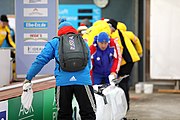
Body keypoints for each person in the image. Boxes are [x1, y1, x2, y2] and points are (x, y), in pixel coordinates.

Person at [23, 21, 96, 120]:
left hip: (63, 82)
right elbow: (89, 64)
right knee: (88, 113)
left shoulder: (55, 42)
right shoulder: (82, 41)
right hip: (83, 81)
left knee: (64, 114)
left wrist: (29, 77)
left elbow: (40, 60)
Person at [107, 18, 143, 111]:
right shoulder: (127, 33)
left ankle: (125, 105)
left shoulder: (115, 34)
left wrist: (116, 65)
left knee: (122, 82)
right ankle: (125, 104)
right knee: (125, 82)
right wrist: (140, 52)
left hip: (125, 62)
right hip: (131, 59)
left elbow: (119, 50)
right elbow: (137, 41)